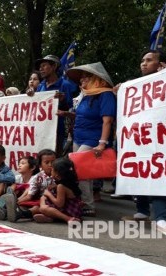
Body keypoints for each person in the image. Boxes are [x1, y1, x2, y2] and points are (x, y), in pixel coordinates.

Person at [120, 49, 166, 236]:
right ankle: (142, 211)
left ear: (160, 64)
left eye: (149, 60)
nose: (143, 63)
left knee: (156, 175)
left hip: (161, 137)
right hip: (139, 137)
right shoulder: (136, 86)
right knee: (139, 172)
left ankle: (161, 218)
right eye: (142, 60)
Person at [65, 62, 116, 217]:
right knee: (83, 171)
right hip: (78, 137)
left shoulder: (106, 95)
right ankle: (83, 201)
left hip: (93, 138)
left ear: (96, 79)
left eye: (87, 77)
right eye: (82, 78)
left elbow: (107, 120)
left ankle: (88, 204)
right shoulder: (86, 95)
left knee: (79, 169)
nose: (82, 80)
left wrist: (102, 143)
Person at [31, 55, 78, 156]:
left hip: (57, 129)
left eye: (44, 65)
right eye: (40, 67)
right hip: (41, 129)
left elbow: (72, 108)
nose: (41, 69)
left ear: (54, 66)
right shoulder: (40, 86)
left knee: (55, 156)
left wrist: (63, 100)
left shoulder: (65, 85)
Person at [3, 149, 57, 222]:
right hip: (41, 200)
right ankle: (6, 212)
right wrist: (16, 202)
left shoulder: (59, 175)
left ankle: (16, 214)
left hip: (55, 201)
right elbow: (30, 195)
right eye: (47, 162)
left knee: (37, 208)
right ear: (40, 165)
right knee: (24, 206)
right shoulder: (37, 177)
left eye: (53, 162)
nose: (50, 165)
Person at [0, 156, 39, 220]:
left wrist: (15, 202)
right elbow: (7, 180)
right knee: (5, 183)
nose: (20, 165)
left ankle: (4, 211)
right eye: (19, 164)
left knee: (28, 206)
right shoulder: (18, 177)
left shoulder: (34, 179)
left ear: (32, 167)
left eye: (23, 163)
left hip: (29, 202)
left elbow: (29, 197)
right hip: (17, 201)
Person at [33, 158, 82, 223]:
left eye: (52, 170)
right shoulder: (69, 181)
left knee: (43, 208)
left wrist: (49, 194)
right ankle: (51, 217)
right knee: (43, 197)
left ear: (57, 174)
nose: (51, 171)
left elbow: (59, 204)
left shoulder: (61, 186)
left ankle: (68, 218)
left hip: (71, 211)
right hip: (71, 207)